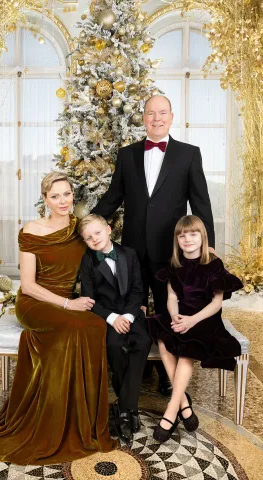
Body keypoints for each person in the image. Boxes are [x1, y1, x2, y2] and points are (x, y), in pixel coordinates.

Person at [0, 172, 116, 465]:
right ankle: (49, 419)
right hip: (35, 302)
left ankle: (82, 420)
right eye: (55, 196)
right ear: (44, 199)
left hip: (65, 303)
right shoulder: (32, 229)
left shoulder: (78, 230)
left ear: (73, 196)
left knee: (94, 326)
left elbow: (104, 249)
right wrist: (68, 304)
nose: (63, 201)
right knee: (77, 325)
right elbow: (28, 285)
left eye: (67, 194)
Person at [92, 95, 215, 395]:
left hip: (169, 251)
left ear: (171, 117)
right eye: (150, 113)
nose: (156, 118)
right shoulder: (127, 154)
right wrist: (89, 224)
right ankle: (138, 364)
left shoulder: (188, 154)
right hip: (132, 251)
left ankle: (166, 374)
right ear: (143, 118)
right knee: (131, 306)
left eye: (162, 113)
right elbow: (113, 198)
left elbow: (200, 202)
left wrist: (207, 245)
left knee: (167, 311)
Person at [148, 215, 242, 442]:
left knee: (186, 347)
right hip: (182, 315)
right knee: (163, 338)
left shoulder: (213, 264)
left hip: (206, 319)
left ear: (202, 237)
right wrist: (175, 316)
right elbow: (171, 297)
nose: (187, 239)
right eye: (182, 236)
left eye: (192, 234)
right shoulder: (175, 266)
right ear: (177, 240)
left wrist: (191, 321)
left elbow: (216, 303)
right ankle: (184, 404)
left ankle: (172, 409)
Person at [78, 214, 152, 443]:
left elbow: (138, 291)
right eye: (88, 238)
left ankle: (124, 407)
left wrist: (128, 316)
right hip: (107, 317)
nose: (94, 239)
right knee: (114, 346)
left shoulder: (129, 254)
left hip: (131, 314)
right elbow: (89, 299)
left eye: (97, 233)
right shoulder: (88, 261)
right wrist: (112, 318)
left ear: (109, 229)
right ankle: (130, 410)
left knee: (142, 342)